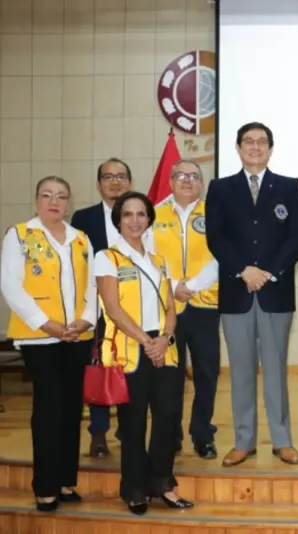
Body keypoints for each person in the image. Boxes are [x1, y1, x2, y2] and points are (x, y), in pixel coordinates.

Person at [205, 122, 298, 467]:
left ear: (270, 148)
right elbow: (216, 237)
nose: (255, 147)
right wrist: (242, 270)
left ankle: (282, 440)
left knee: (276, 369)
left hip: (275, 293)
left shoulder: (290, 187)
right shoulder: (220, 188)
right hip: (236, 293)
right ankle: (244, 440)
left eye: (261, 141)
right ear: (237, 148)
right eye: (248, 141)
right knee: (241, 370)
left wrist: (270, 273)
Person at [1, 176, 96, 512]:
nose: (54, 201)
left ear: (68, 202)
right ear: (36, 200)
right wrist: (49, 324)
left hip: (77, 335)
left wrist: (85, 319)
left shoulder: (81, 239)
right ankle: (45, 485)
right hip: (39, 336)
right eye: (47, 195)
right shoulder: (20, 234)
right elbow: (11, 285)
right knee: (49, 405)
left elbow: (92, 289)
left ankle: (66, 480)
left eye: (61, 196)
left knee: (72, 408)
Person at [95, 191, 191, 515]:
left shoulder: (158, 260)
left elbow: (170, 308)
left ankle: (162, 483)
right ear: (118, 220)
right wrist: (147, 342)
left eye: (140, 214)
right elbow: (113, 309)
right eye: (127, 214)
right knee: (133, 423)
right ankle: (134, 488)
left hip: (163, 347)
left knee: (167, 419)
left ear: (149, 219)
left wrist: (164, 337)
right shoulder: (107, 258)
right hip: (131, 350)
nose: (134, 220)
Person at [146, 160, 221, 459]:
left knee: (206, 372)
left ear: (201, 184)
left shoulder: (214, 213)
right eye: (180, 176)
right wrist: (175, 284)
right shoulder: (153, 214)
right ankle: (171, 433)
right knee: (170, 375)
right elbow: (148, 256)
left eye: (194, 176)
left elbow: (222, 253)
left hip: (204, 304)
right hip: (167, 307)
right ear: (171, 181)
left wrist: (193, 284)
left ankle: (202, 433)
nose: (187, 181)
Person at [70, 157, 133, 458]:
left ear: (130, 183)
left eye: (121, 176)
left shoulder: (140, 214)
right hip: (96, 307)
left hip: (134, 308)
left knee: (130, 367)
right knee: (98, 367)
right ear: (98, 184)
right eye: (108, 177)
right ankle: (98, 433)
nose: (115, 182)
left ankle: (128, 427)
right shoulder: (83, 218)